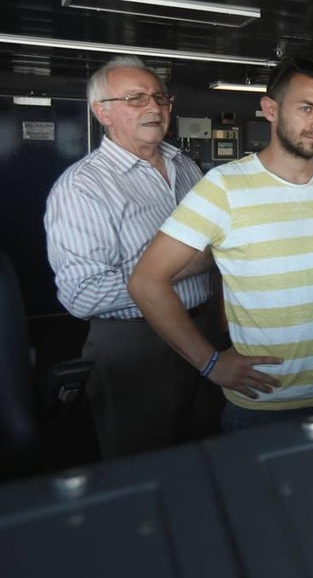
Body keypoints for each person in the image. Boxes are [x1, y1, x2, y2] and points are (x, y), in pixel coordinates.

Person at [128, 57, 313, 432]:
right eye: (306, 108)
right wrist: (211, 363)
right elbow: (146, 281)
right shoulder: (224, 187)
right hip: (259, 403)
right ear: (271, 109)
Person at [44, 55, 222, 458]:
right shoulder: (82, 188)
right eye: (136, 98)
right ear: (101, 112)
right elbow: (83, 295)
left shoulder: (186, 167)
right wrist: (183, 268)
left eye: (160, 97)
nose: (154, 108)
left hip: (203, 327)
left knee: (207, 454)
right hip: (137, 344)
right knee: (144, 464)